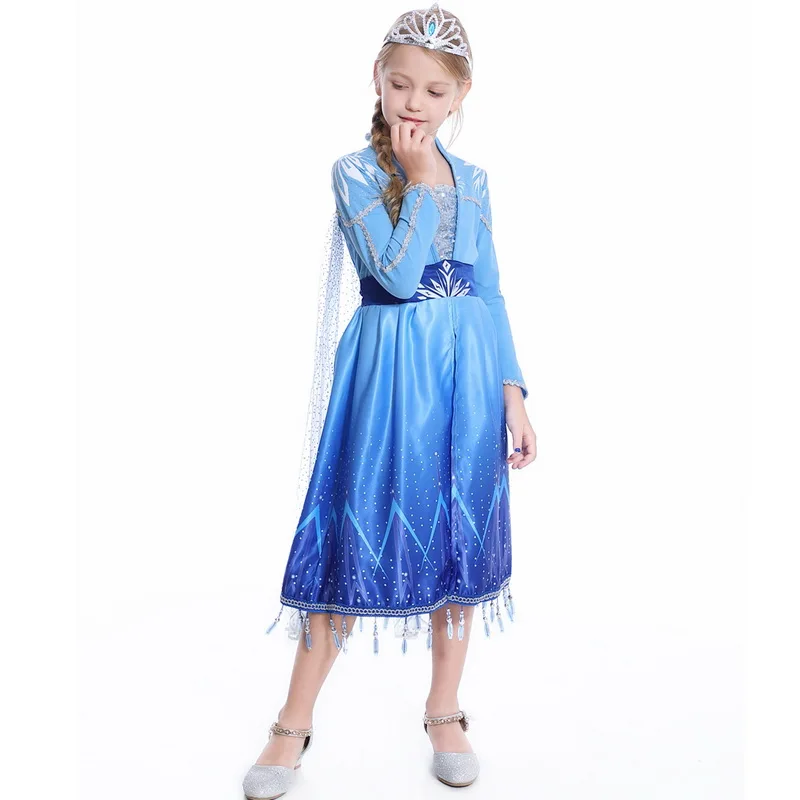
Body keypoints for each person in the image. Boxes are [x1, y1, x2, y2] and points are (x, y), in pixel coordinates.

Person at [243, 4, 537, 797]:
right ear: (376, 79)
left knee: (458, 530)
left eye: (435, 92)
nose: (415, 102)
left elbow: (489, 290)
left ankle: (444, 708)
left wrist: (512, 392)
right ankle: (293, 721)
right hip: (389, 373)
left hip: (467, 377)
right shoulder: (356, 172)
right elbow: (401, 280)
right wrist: (419, 182)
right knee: (358, 527)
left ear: (460, 96)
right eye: (401, 83)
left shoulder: (476, 180)